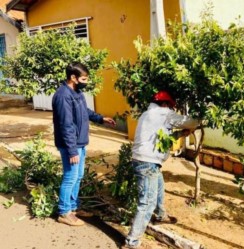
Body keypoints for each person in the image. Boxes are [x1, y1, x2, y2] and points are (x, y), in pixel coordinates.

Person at [124, 90, 199, 249]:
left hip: (143, 160)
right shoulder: (164, 113)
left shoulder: (147, 114)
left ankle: (160, 215)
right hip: (147, 163)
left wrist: (180, 134)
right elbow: (191, 122)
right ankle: (132, 242)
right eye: (170, 107)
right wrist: (201, 119)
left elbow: (160, 138)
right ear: (165, 104)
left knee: (159, 185)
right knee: (146, 203)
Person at [52, 62, 116, 226]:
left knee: (78, 176)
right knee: (70, 177)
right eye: (84, 78)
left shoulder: (77, 92)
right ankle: (64, 212)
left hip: (79, 143)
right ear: (73, 77)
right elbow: (66, 125)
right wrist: (72, 151)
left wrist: (101, 118)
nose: (86, 81)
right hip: (70, 145)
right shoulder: (63, 96)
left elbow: (84, 112)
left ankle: (73, 207)